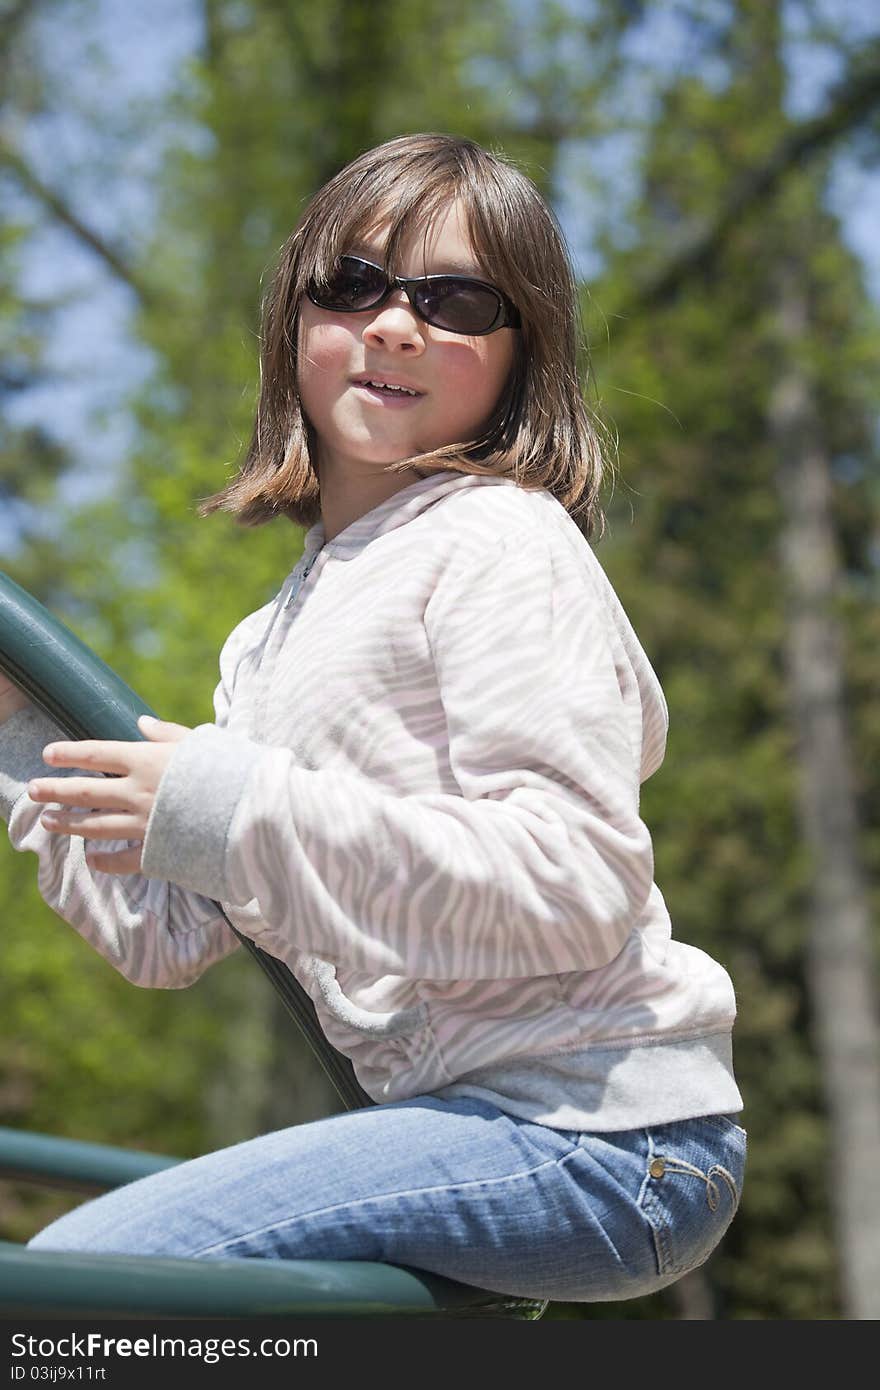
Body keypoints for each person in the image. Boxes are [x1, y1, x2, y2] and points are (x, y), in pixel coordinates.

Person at [0, 132, 745, 1305]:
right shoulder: (270, 636)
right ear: (294, 316)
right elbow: (171, 935)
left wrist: (228, 800)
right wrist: (17, 736)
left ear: (517, 358)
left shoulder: (498, 541)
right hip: (476, 1121)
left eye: (455, 302)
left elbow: (572, 879)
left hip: (602, 1130)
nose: (396, 324)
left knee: (79, 1289)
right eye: (355, 283)